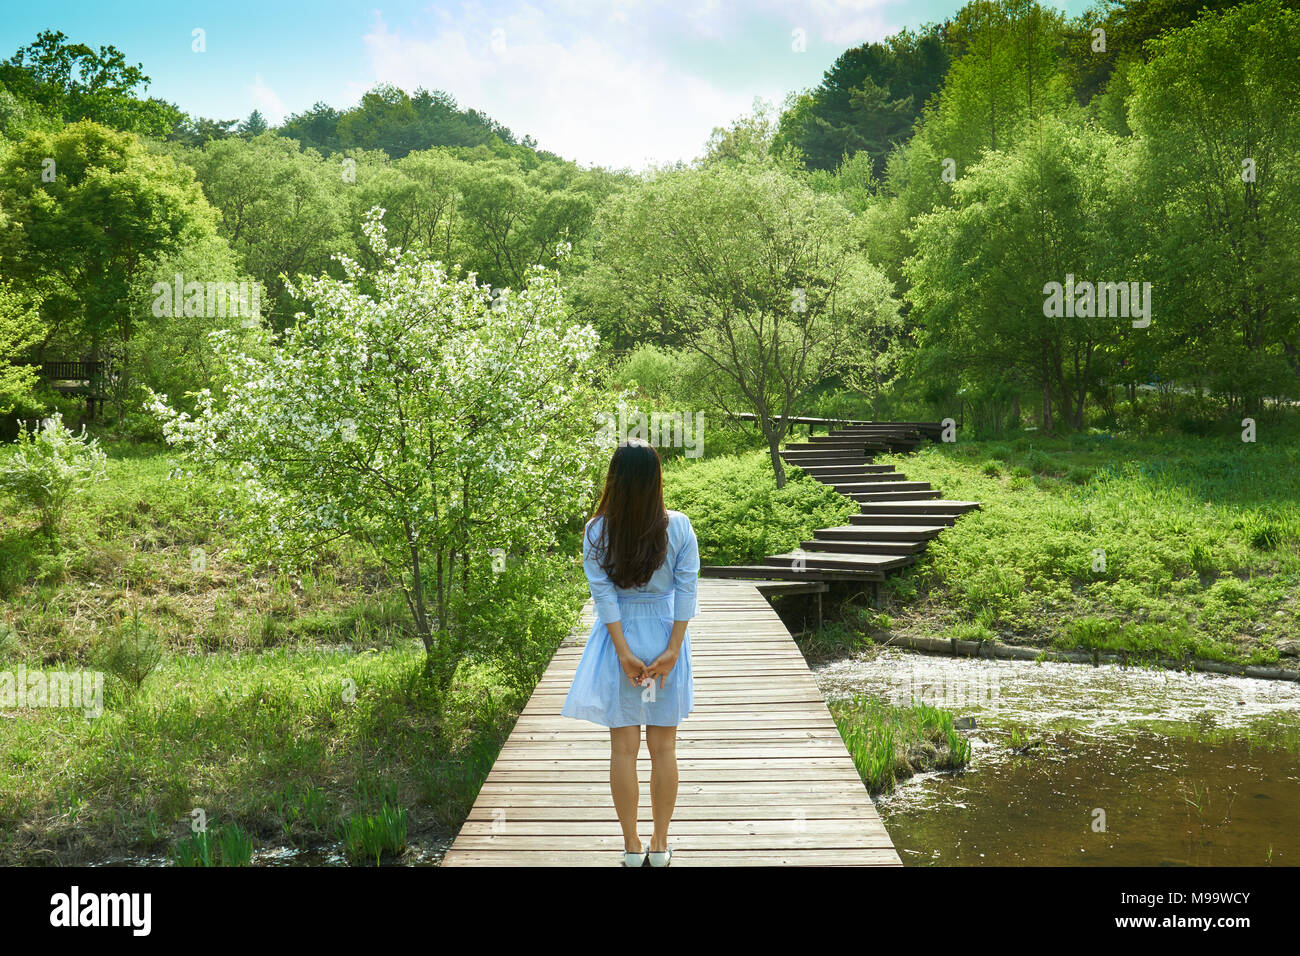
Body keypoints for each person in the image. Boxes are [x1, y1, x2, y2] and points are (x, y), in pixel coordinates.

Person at [561, 438, 700, 867]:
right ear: (656, 479)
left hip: (618, 639)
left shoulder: (597, 530)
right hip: (663, 636)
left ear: (615, 480)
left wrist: (622, 652)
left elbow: (602, 598)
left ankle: (631, 847)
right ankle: (660, 846)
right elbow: (687, 589)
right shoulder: (678, 526)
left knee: (622, 749)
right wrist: (673, 649)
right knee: (664, 749)